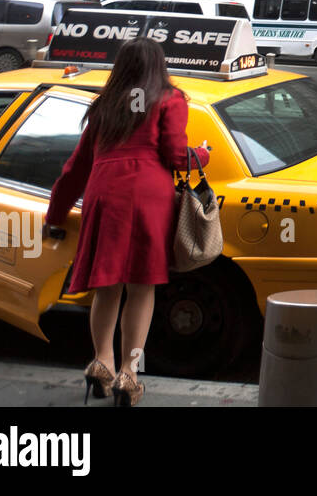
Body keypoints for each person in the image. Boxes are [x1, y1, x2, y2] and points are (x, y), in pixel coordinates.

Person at [44, 38, 210, 407]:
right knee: (141, 286)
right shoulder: (170, 99)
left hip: (104, 194)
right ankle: (129, 373)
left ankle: (101, 362)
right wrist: (202, 155)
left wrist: (55, 215)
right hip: (147, 195)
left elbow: (75, 169)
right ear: (159, 66)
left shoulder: (105, 104)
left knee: (107, 285)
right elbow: (174, 154)